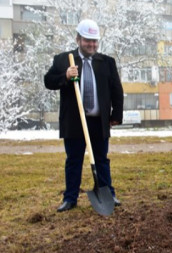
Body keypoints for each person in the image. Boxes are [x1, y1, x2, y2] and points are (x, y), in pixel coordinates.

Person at [44, 19, 124, 212]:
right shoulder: (64, 60)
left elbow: (116, 90)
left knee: (101, 159)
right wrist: (65, 76)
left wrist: (116, 115)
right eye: (88, 40)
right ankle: (70, 198)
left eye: (95, 41)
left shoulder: (106, 62)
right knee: (74, 160)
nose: (92, 45)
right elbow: (48, 81)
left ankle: (108, 193)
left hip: (98, 121)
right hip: (74, 121)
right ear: (78, 39)